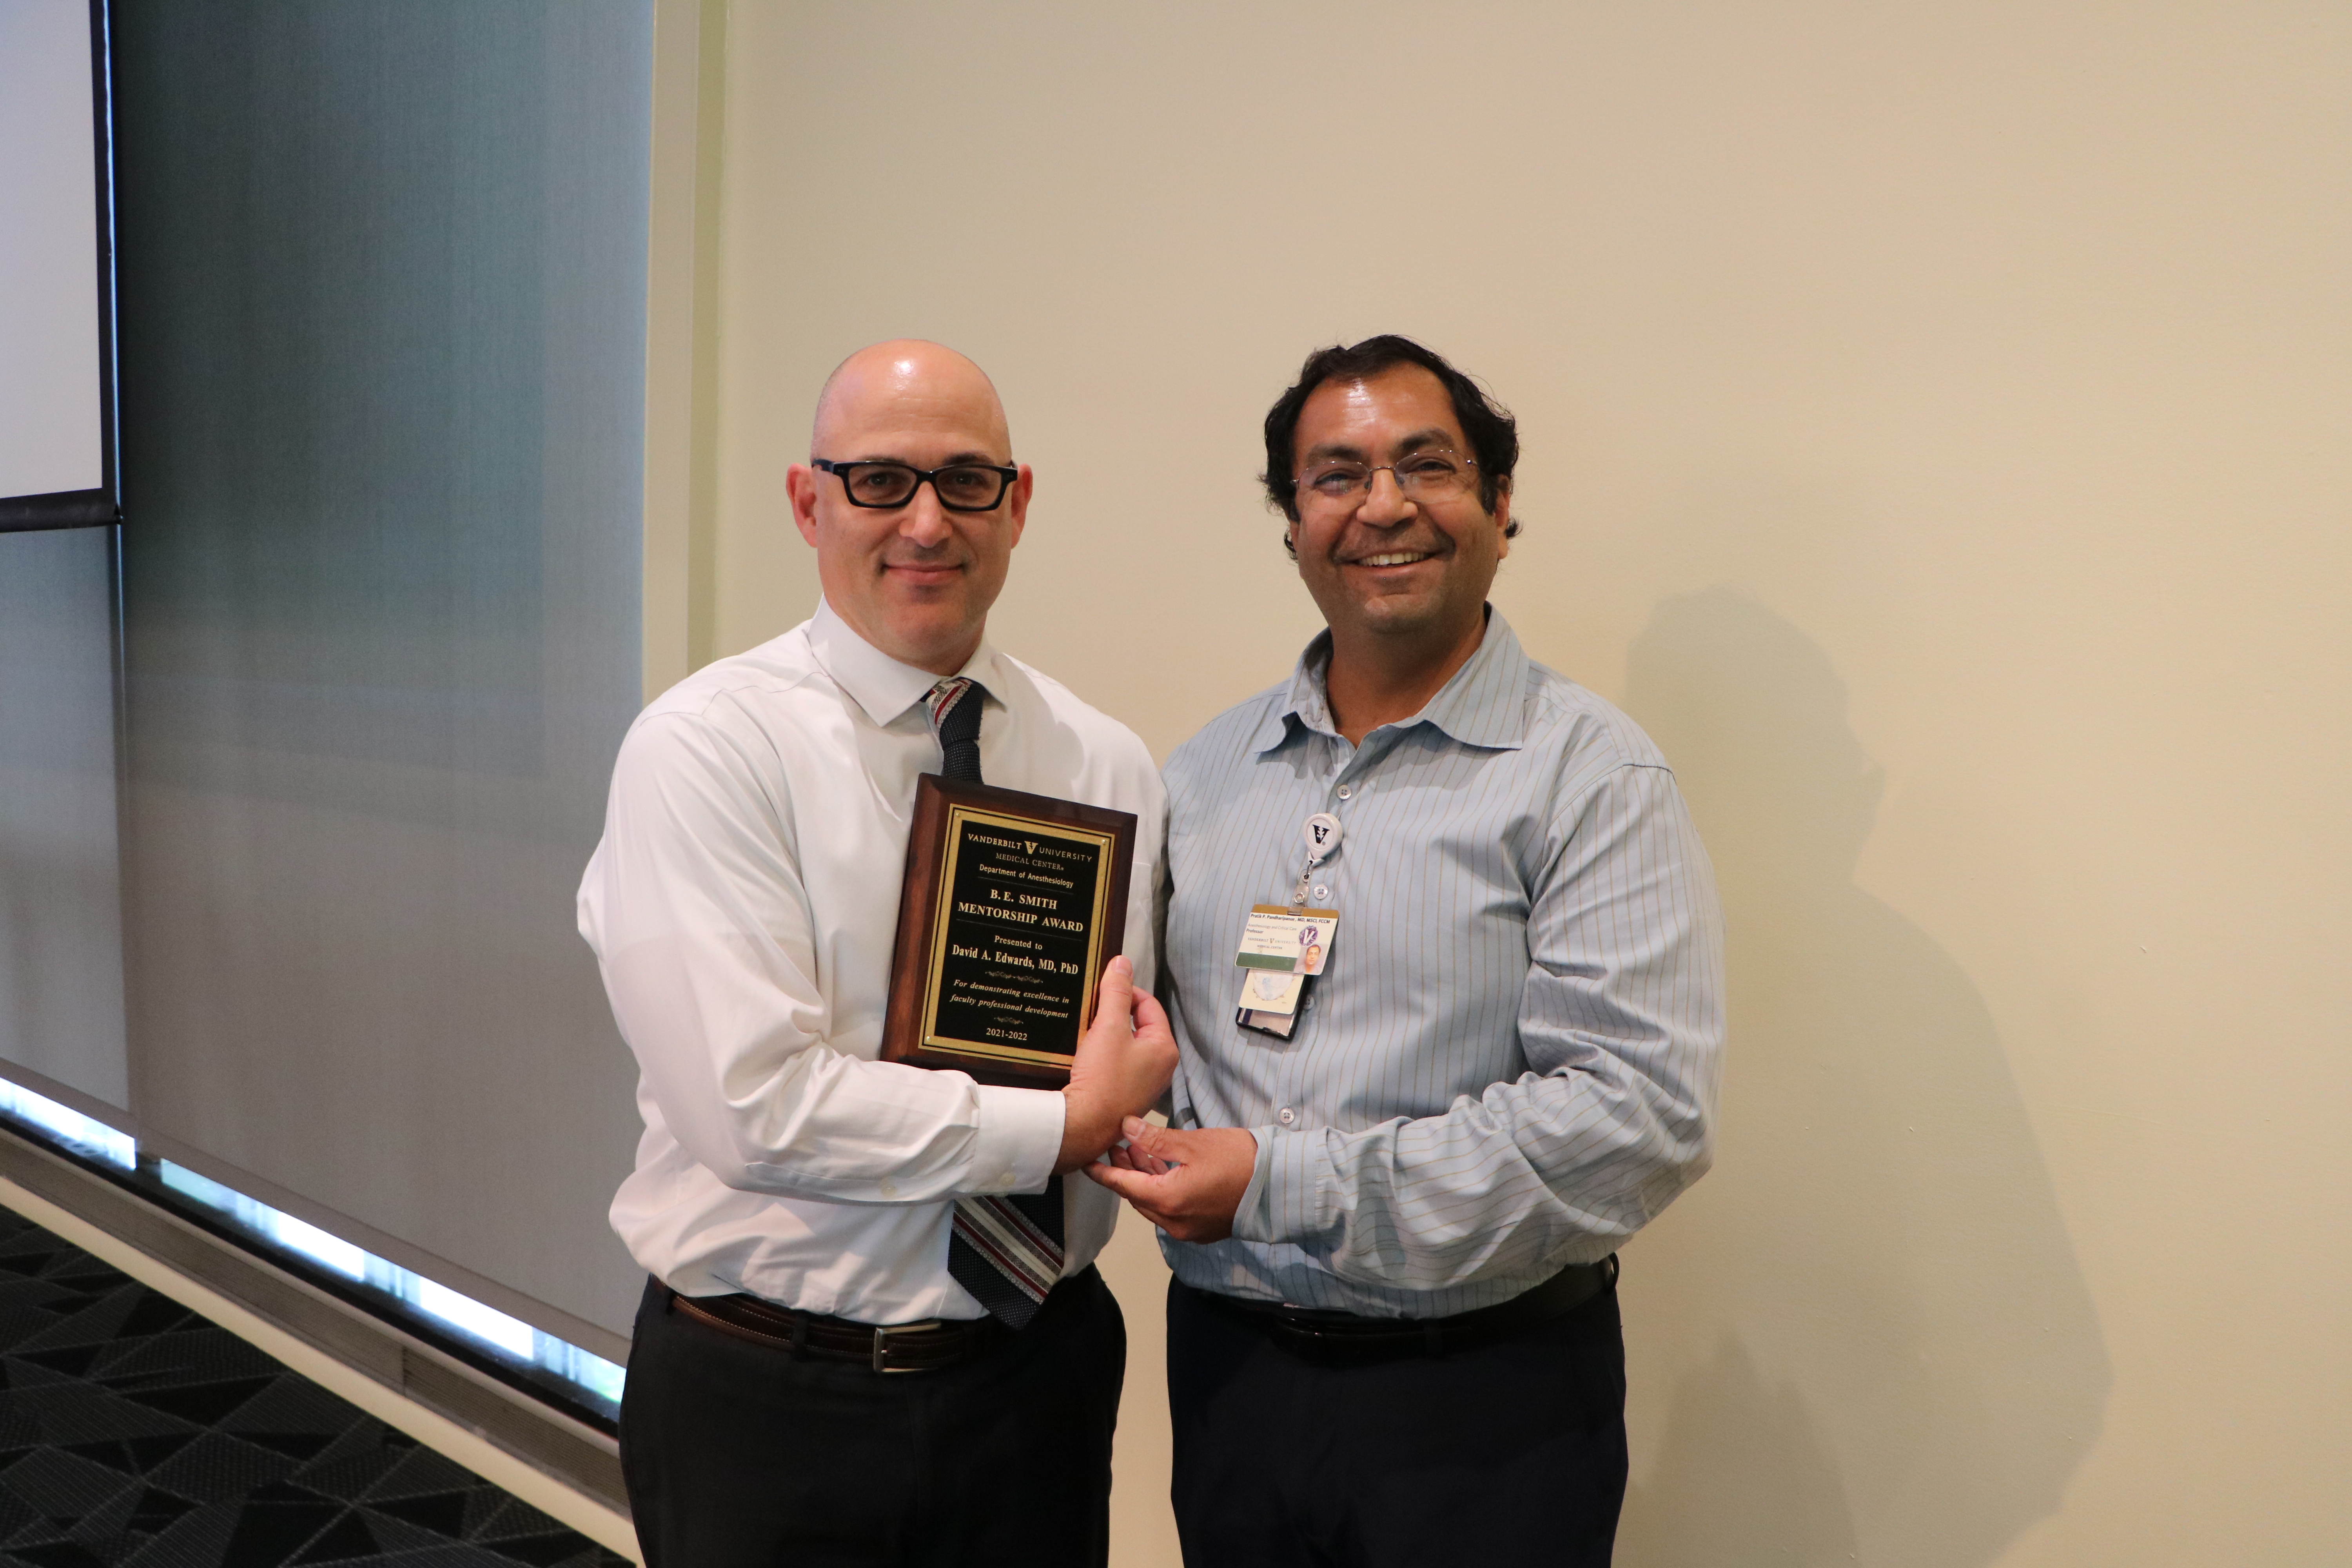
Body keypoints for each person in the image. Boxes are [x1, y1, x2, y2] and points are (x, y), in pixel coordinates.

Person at [1090, 336, 1726, 1566]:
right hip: (1230, 1385)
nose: (1382, 506)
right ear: (1293, 525)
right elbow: (1140, 1039)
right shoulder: (1203, 775)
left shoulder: (1592, 777)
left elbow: (1639, 1117)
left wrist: (1280, 1184)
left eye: (1425, 466)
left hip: (1486, 1408)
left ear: (1499, 504)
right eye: (1336, 476)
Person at [578, 340, 1176, 1568]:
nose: (927, 522)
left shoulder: (1104, 761)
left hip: (1039, 1378)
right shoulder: (708, 749)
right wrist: (1059, 1129)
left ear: (1018, 505)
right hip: (776, 1397)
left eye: (967, 481)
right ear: (810, 503)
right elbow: (753, 1108)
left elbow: (1118, 1048)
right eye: (880, 481)